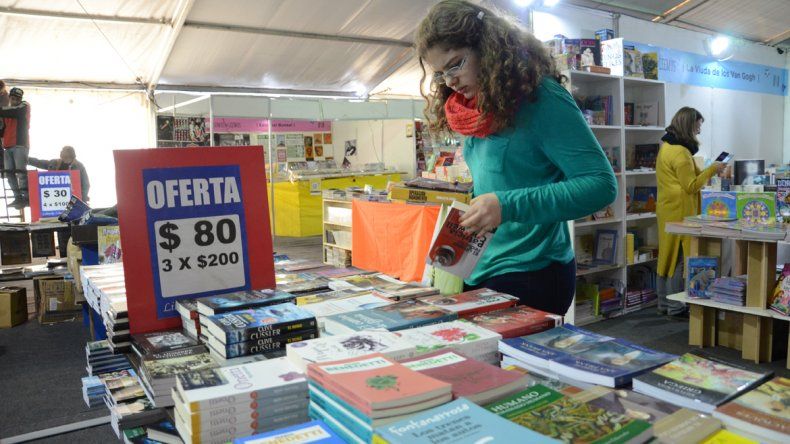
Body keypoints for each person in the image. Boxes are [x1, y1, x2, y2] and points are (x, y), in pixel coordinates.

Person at [415, 1, 617, 315]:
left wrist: (506, 205)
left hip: (532, 272)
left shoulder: (541, 99)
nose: (450, 81)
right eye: (441, 74)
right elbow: (503, 177)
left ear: (488, 48)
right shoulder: (472, 109)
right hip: (479, 265)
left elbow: (601, 185)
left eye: (455, 64)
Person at [656, 107, 725, 316]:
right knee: (678, 260)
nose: (700, 129)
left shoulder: (667, 146)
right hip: (680, 211)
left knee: (666, 258)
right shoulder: (681, 152)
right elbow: (691, 186)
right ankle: (675, 308)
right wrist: (713, 169)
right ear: (690, 125)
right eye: (698, 124)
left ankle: (663, 304)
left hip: (667, 207)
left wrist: (709, 168)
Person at [0, 87, 31, 208]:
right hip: (7, 146)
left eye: (17, 98)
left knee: (21, 172)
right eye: (12, 98)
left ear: (21, 99)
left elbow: (14, 111)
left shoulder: (24, 106)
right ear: (9, 97)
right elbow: (3, 129)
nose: (14, 100)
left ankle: (26, 198)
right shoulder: (7, 111)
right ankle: (18, 198)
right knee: (9, 174)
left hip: (20, 145)